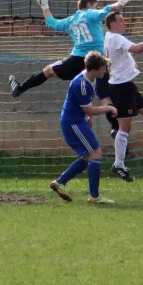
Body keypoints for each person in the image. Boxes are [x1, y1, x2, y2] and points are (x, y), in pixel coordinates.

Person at [8, 0, 130, 98]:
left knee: (48, 71)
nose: (95, 8)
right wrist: (117, 5)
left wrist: (44, 5)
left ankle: (20, 89)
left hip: (76, 61)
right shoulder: (89, 13)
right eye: (94, 6)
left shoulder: (70, 20)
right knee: (108, 95)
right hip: (99, 61)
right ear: (88, 5)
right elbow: (103, 12)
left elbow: (51, 23)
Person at [49, 52, 117, 204]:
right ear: (93, 69)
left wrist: (89, 117)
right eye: (102, 68)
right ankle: (94, 197)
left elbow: (86, 106)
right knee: (95, 153)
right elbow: (88, 109)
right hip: (73, 123)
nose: (105, 71)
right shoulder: (82, 83)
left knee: (89, 156)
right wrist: (108, 108)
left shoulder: (90, 79)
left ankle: (60, 182)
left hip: (77, 121)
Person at [104, 11, 143, 181]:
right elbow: (137, 48)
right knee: (124, 128)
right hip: (121, 87)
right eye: (121, 20)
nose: (125, 23)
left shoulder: (109, 37)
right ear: (112, 24)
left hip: (127, 85)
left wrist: (129, 62)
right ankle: (119, 164)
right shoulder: (116, 38)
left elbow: (123, 54)